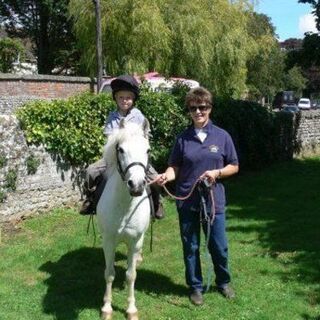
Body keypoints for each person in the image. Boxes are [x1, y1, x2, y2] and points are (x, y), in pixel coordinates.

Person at [157, 87, 239, 305]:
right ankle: (195, 286)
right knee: (190, 246)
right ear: (189, 111)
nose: (198, 112)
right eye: (193, 108)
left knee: (218, 246)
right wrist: (167, 176)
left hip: (214, 201)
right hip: (187, 201)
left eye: (202, 107)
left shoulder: (222, 136)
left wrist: (217, 172)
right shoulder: (183, 138)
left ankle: (223, 282)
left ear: (209, 108)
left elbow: (234, 165)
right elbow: (174, 166)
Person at [80, 74, 164, 219]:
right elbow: (109, 139)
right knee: (90, 171)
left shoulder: (139, 117)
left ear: (133, 99)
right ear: (116, 98)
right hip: (113, 157)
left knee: (155, 178)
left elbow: (145, 137)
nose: (125, 100)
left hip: (134, 157)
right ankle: (90, 199)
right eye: (121, 97)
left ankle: (157, 203)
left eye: (128, 97)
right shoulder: (112, 117)